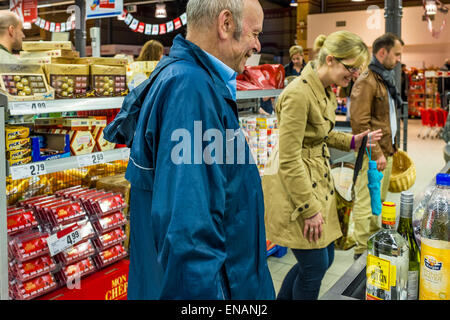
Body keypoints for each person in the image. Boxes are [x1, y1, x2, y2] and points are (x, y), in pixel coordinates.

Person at [104, 0, 275, 300]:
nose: (257, 45)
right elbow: (189, 234)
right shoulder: (191, 91)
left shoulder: (189, 80)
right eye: (254, 33)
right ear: (225, 24)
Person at [262, 30, 382, 300]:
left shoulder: (325, 91)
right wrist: (308, 208)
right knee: (314, 264)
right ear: (330, 60)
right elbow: (290, 157)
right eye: (351, 68)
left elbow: (321, 134)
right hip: (296, 187)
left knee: (322, 259)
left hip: (316, 177)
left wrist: (352, 141)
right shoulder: (298, 94)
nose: (354, 76)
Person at [350, 33, 405, 260]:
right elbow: (360, 122)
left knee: (378, 202)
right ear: (383, 52)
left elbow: (388, 117)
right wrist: (377, 152)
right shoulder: (367, 80)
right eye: (397, 53)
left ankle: (372, 245)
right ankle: (361, 251)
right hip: (373, 155)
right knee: (366, 201)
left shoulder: (384, 78)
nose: (400, 59)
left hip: (385, 151)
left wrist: (392, 147)